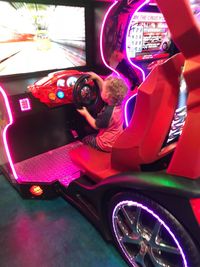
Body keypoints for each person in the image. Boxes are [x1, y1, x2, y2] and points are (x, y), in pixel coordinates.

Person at [77, 72, 129, 152]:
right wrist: (97, 77)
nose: (101, 90)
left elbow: (95, 125)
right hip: (116, 142)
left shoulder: (108, 113)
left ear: (107, 95)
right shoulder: (120, 103)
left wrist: (86, 114)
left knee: (85, 138)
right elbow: (106, 89)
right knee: (92, 133)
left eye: (102, 90)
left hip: (105, 145)